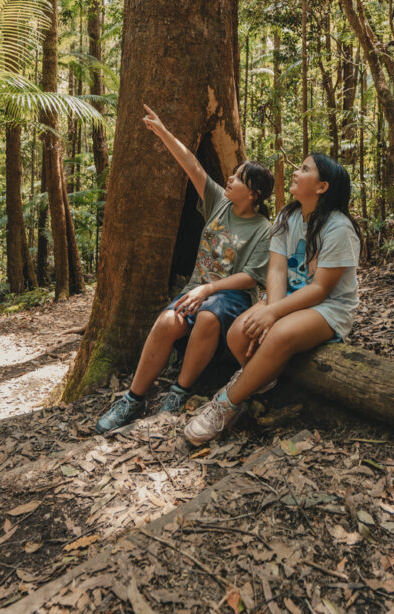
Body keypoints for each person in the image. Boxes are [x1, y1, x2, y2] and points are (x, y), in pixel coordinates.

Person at [95, 105, 274, 434]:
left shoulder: (265, 228)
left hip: (231, 298)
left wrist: (207, 290)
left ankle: (178, 393)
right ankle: (132, 399)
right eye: (231, 176)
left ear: (254, 194)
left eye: (238, 178)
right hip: (195, 290)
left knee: (207, 316)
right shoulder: (220, 202)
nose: (229, 179)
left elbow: (252, 276)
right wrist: (163, 131)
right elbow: (191, 164)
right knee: (167, 321)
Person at [184, 152, 362, 446]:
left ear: (322, 187)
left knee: (276, 335)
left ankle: (226, 403)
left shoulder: (339, 228)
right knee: (239, 333)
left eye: (304, 169)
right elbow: (277, 270)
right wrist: (273, 309)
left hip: (328, 307)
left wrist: (274, 315)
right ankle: (262, 382)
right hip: (287, 297)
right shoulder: (287, 217)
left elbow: (320, 290)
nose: (295, 172)